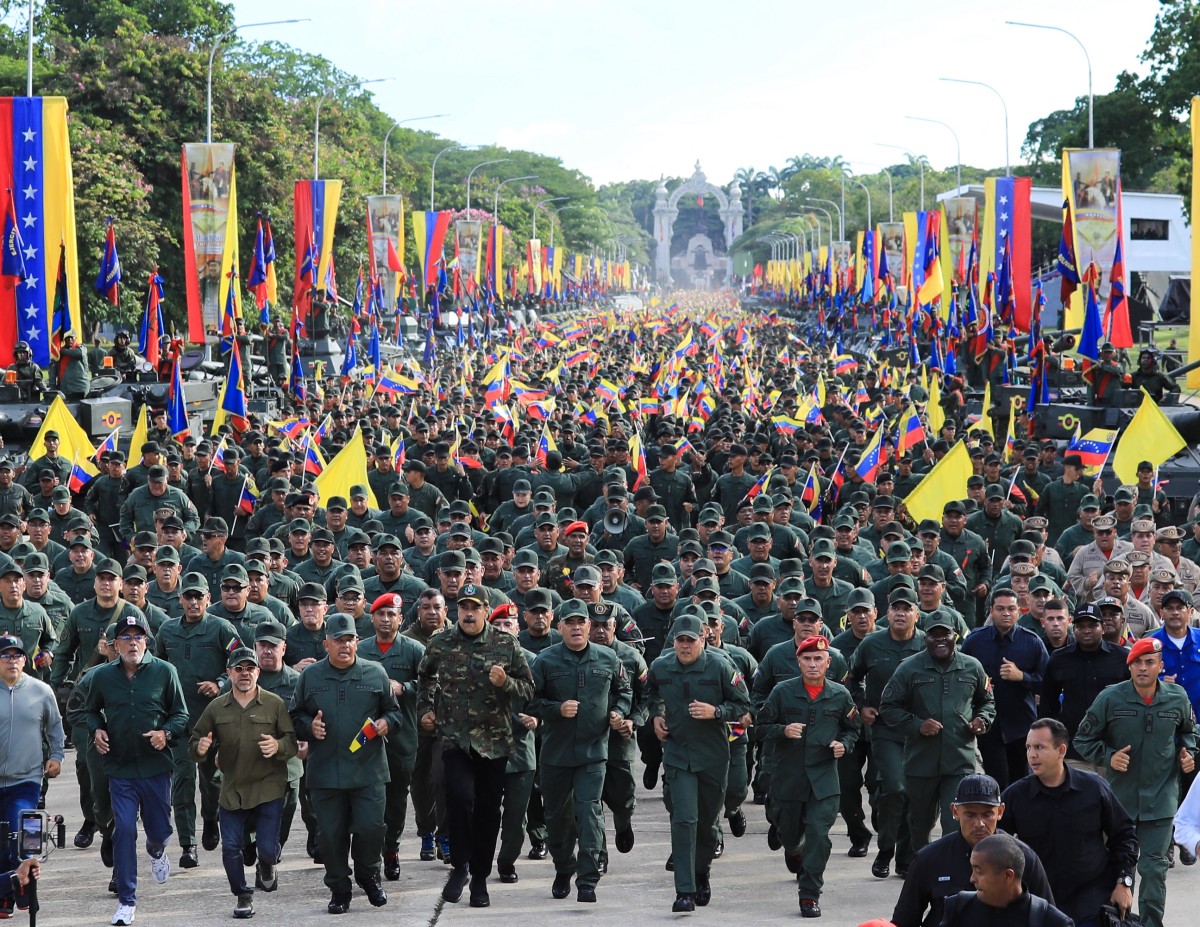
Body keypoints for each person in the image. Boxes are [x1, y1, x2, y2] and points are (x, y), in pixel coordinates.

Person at [417, 583, 534, 908]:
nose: (468, 613)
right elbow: (424, 677)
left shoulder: (505, 644)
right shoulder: (441, 643)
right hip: (456, 739)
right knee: (458, 797)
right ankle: (460, 866)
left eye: (475, 607)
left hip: (494, 743)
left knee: (486, 812)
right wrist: (426, 710)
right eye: (463, 607)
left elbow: (528, 688)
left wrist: (505, 683)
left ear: (485, 610)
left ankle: (480, 878)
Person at [1076, 636, 1198, 927]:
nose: (1142, 668)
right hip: (1120, 801)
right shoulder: (1110, 698)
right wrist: (1108, 757)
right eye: (1136, 663)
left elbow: (1190, 732)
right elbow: (1082, 738)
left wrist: (1189, 754)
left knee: (1154, 870)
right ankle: (1111, 922)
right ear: (1129, 667)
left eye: (1149, 663)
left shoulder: (1177, 697)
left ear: (1160, 666)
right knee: (1115, 869)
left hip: (1161, 798)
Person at [289, 613, 401, 914]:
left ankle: (368, 875)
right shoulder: (310, 677)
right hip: (326, 773)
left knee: (371, 829)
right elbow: (294, 716)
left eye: (350, 639)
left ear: (357, 641)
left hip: (368, 771)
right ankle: (339, 889)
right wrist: (309, 726)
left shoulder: (375, 673)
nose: (345, 645)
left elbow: (395, 713)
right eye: (338, 640)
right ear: (327, 643)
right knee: (330, 837)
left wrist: (385, 723)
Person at [84, 615, 188, 927]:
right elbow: (89, 711)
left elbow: (181, 715)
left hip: (155, 768)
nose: (133, 643)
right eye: (126, 638)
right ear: (115, 645)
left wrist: (165, 734)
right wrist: (97, 730)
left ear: (146, 640)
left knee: (159, 832)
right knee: (124, 830)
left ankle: (157, 852)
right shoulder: (102, 676)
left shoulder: (164, 672)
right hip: (120, 768)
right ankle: (127, 901)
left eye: (138, 637)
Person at [527, 597, 631, 903]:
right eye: (569, 623)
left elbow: (624, 690)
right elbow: (529, 701)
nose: (576, 627)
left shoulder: (607, 658)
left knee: (589, 812)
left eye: (581, 622)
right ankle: (563, 869)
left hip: (593, 753)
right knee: (557, 819)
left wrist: (618, 712)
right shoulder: (545, 660)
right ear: (559, 627)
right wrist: (557, 709)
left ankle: (587, 880)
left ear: (589, 626)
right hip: (556, 755)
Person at [645, 613, 750, 913]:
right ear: (674, 642)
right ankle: (684, 891)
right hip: (678, 754)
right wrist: (656, 716)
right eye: (681, 641)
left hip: (713, 756)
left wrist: (716, 711)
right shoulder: (661, 667)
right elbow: (650, 692)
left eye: (691, 640)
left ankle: (702, 871)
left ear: (703, 639)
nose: (686, 646)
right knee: (684, 820)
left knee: (706, 824)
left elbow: (743, 704)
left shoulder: (720, 666)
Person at [188, 647, 297, 920]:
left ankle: (267, 865)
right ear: (229, 674)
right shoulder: (216, 707)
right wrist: (201, 749)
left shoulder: (274, 704)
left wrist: (278, 745)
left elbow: (292, 742)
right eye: (239, 669)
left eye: (250, 668)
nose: (245, 673)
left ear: (258, 672)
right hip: (233, 789)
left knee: (268, 850)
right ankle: (242, 894)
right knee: (231, 848)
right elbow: (195, 742)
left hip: (268, 786)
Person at [757, 635, 860, 918]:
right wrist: (783, 730)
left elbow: (853, 729)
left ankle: (809, 895)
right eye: (807, 659)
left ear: (828, 663)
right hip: (788, 779)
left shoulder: (840, 695)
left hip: (824, 781)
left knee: (818, 834)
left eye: (818, 659)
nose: (813, 664)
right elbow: (760, 726)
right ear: (798, 661)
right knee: (790, 836)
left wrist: (844, 744)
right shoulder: (782, 692)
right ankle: (793, 847)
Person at [999, 717, 1138, 925]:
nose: (1032, 755)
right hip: (1037, 903)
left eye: (1039, 747)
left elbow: (1124, 835)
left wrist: (1124, 882)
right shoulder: (1015, 796)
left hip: (1091, 901)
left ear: (1061, 751)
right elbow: (995, 843)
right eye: (1028, 748)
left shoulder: (1094, 789)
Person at [880, 617, 996, 851]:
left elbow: (988, 702)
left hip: (961, 759)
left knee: (954, 823)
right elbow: (888, 706)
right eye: (934, 635)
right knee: (919, 824)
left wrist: (982, 719)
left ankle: (953, 871)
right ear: (926, 637)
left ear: (955, 636)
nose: (941, 640)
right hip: (922, 761)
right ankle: (918, 866)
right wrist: (916, 725)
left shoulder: (972, 666)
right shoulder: (909, 668)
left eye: (946, 635)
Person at [890, 774, 1055, 927]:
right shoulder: (929, 859)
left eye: (987, 814)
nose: (979, 823)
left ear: (1000, 812)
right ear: (955, 811)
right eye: (970, 814)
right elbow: (904, 921)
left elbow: (1049, 918)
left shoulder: (1024, 859)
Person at [846, 585, 927, 879]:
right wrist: (862, 705)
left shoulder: (927, 644)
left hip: (921, 732)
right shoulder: (871, 644)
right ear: (887, 613)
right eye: (896, 608)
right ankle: (885, 849)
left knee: (915, 795)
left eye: (907, 609)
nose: (901, 613)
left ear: (917, 614)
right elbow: (851, 679)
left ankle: (905, 858)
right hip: (886, 730)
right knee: (894, 788)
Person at [356, 592, 425, 883]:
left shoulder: (414, 650)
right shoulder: (360, 649)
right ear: (372, 618)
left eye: (391, 615)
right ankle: (367, 855)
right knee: (368, 800)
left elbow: (432, 682)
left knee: (396, 801)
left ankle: (391, 850)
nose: (386, 620)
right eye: (381, 614)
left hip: (402, 737)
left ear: (401, 618)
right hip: (364, 738)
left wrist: (406, 687)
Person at [0, 633, 63, 916]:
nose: (12, 661)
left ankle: (24, 888)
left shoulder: (41, 690)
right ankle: (8, 893)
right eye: (5, 656)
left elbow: (55, 729)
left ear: (25, 660)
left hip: (25, 779)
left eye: (17, 656)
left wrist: (56, 757)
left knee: (18, 837)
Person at [940, 833, 1073, 927]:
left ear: (1008, 876)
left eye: (979, 871)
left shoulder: (1052, 921)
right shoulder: (958, 908)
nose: (972, 879)